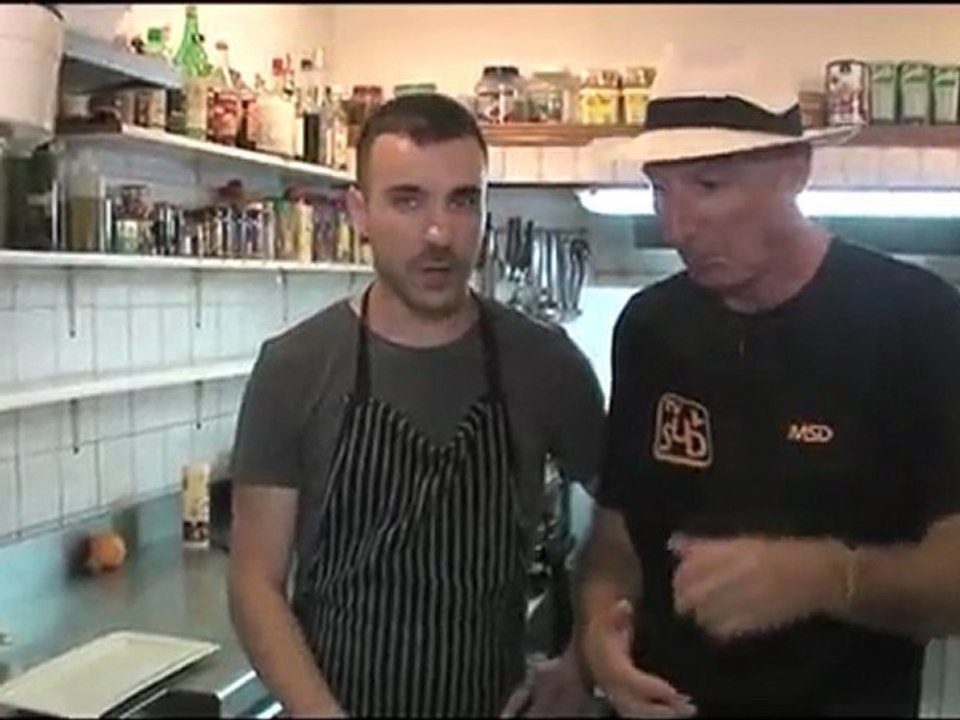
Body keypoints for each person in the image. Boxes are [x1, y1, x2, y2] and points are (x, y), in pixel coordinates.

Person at [574, 44, 960, 717]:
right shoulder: (650, 328)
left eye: (710, 186)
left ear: (796, 170)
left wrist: (827, 578)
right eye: (660, 190)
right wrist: (597, 639)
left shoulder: (917, 321)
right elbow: (616, 544)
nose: (677, 225)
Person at [226, 92, 605, 718]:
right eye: (408, 200)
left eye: (462, 201)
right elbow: (254, 581)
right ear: (359, 212)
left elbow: (620, 524)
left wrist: (583, 658)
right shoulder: (294, 367)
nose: (439, 234)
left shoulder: (546, 364)